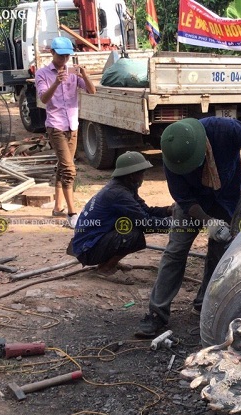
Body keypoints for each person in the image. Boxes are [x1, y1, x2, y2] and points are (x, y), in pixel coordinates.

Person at [135, 117, 241, 337]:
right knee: (175, 252)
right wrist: (208, 221)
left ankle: (205, 302)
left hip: (225, 197)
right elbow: (185, 200)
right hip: (193, 206)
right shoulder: (173, 159)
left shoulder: (224, 130)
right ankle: (156, 313)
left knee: (219, 250)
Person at [67, 152, 171, 282]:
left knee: (129, 225)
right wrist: (176, 224)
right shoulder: (119, 194)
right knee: (133, 233)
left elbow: (145, 210)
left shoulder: (124, 186)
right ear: (132, 175)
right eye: (142, 173)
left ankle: (109, 262)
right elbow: (145, 223)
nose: (143, 177)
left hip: (90, 243)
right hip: (87, 250)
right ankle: (106, 268)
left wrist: (168, 210)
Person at [35, 36, 96, 228]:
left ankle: (57, 206)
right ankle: (72, 213)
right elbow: (44, 99)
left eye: (67, 56)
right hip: (56, 126)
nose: (64, 60)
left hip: (73, 125)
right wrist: (56, 83)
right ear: (52, 53)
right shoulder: (42, 74)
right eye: (61, 56)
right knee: (69, 169)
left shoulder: (72, 73)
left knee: (63, 166)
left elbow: (92, 92)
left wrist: (84, 75)